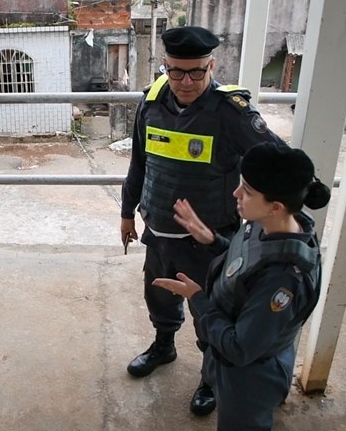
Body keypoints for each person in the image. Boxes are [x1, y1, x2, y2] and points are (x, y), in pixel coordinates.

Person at [120, 25, 284, 415]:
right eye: (176, 71)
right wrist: (127, 213)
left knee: (210, 311)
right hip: (158, 230)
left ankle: (211, 376)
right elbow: (138, 164)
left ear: (212, 65)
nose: (186, 81)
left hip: (208, 241)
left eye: (197, 71)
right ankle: (164, 346)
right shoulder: (152, 102)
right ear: (165, 66)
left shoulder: (231, 113)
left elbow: (277, 158)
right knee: (158, 294)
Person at [153, 142, 331, 430]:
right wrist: (213, 240)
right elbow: (246, 263)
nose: (236, 193)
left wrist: (197, 298)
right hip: (228, 353)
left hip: (250, 375)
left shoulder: (283, 279)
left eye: (247, 191)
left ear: (276, 206)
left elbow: (239, 348)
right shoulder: (274, 221)